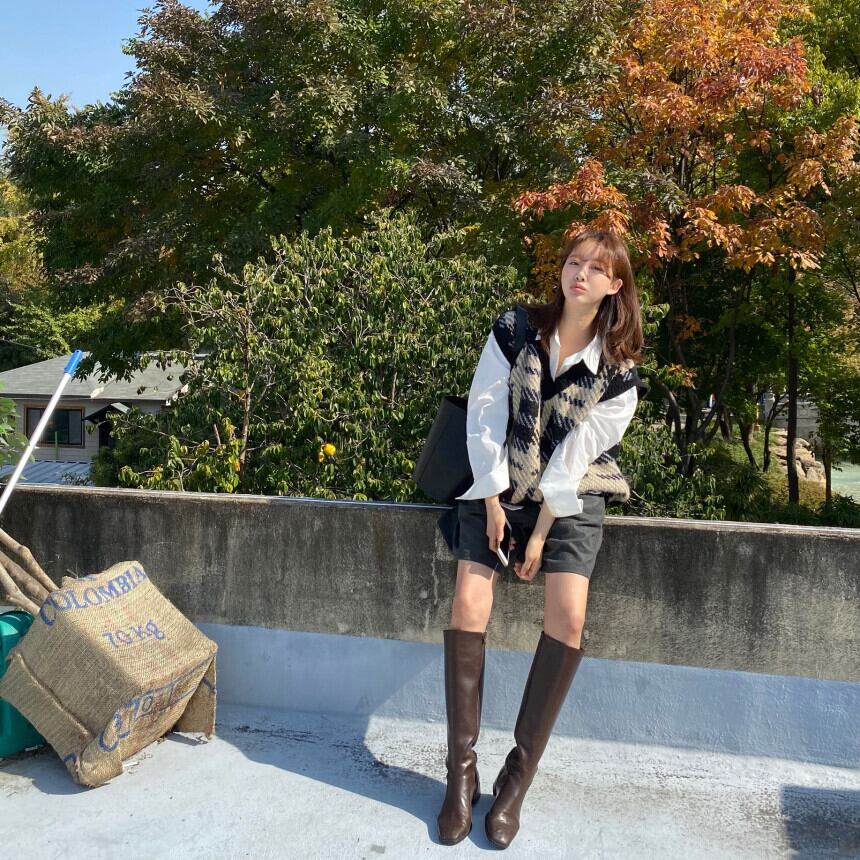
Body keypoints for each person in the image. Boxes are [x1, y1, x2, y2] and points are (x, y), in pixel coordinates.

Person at [436, 229, 646, 848]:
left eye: (596, 269)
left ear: (614, 286)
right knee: (469, 600)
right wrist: (492, 501)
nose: (580, 274)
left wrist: (540, 534)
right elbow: (483, 412)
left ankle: (516, 781)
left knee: (569, 616)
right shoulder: (515, 329)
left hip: (572, 494)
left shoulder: (619, 373)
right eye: (573, 262)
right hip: (498, 478)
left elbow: (576, 458)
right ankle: (460, 774)